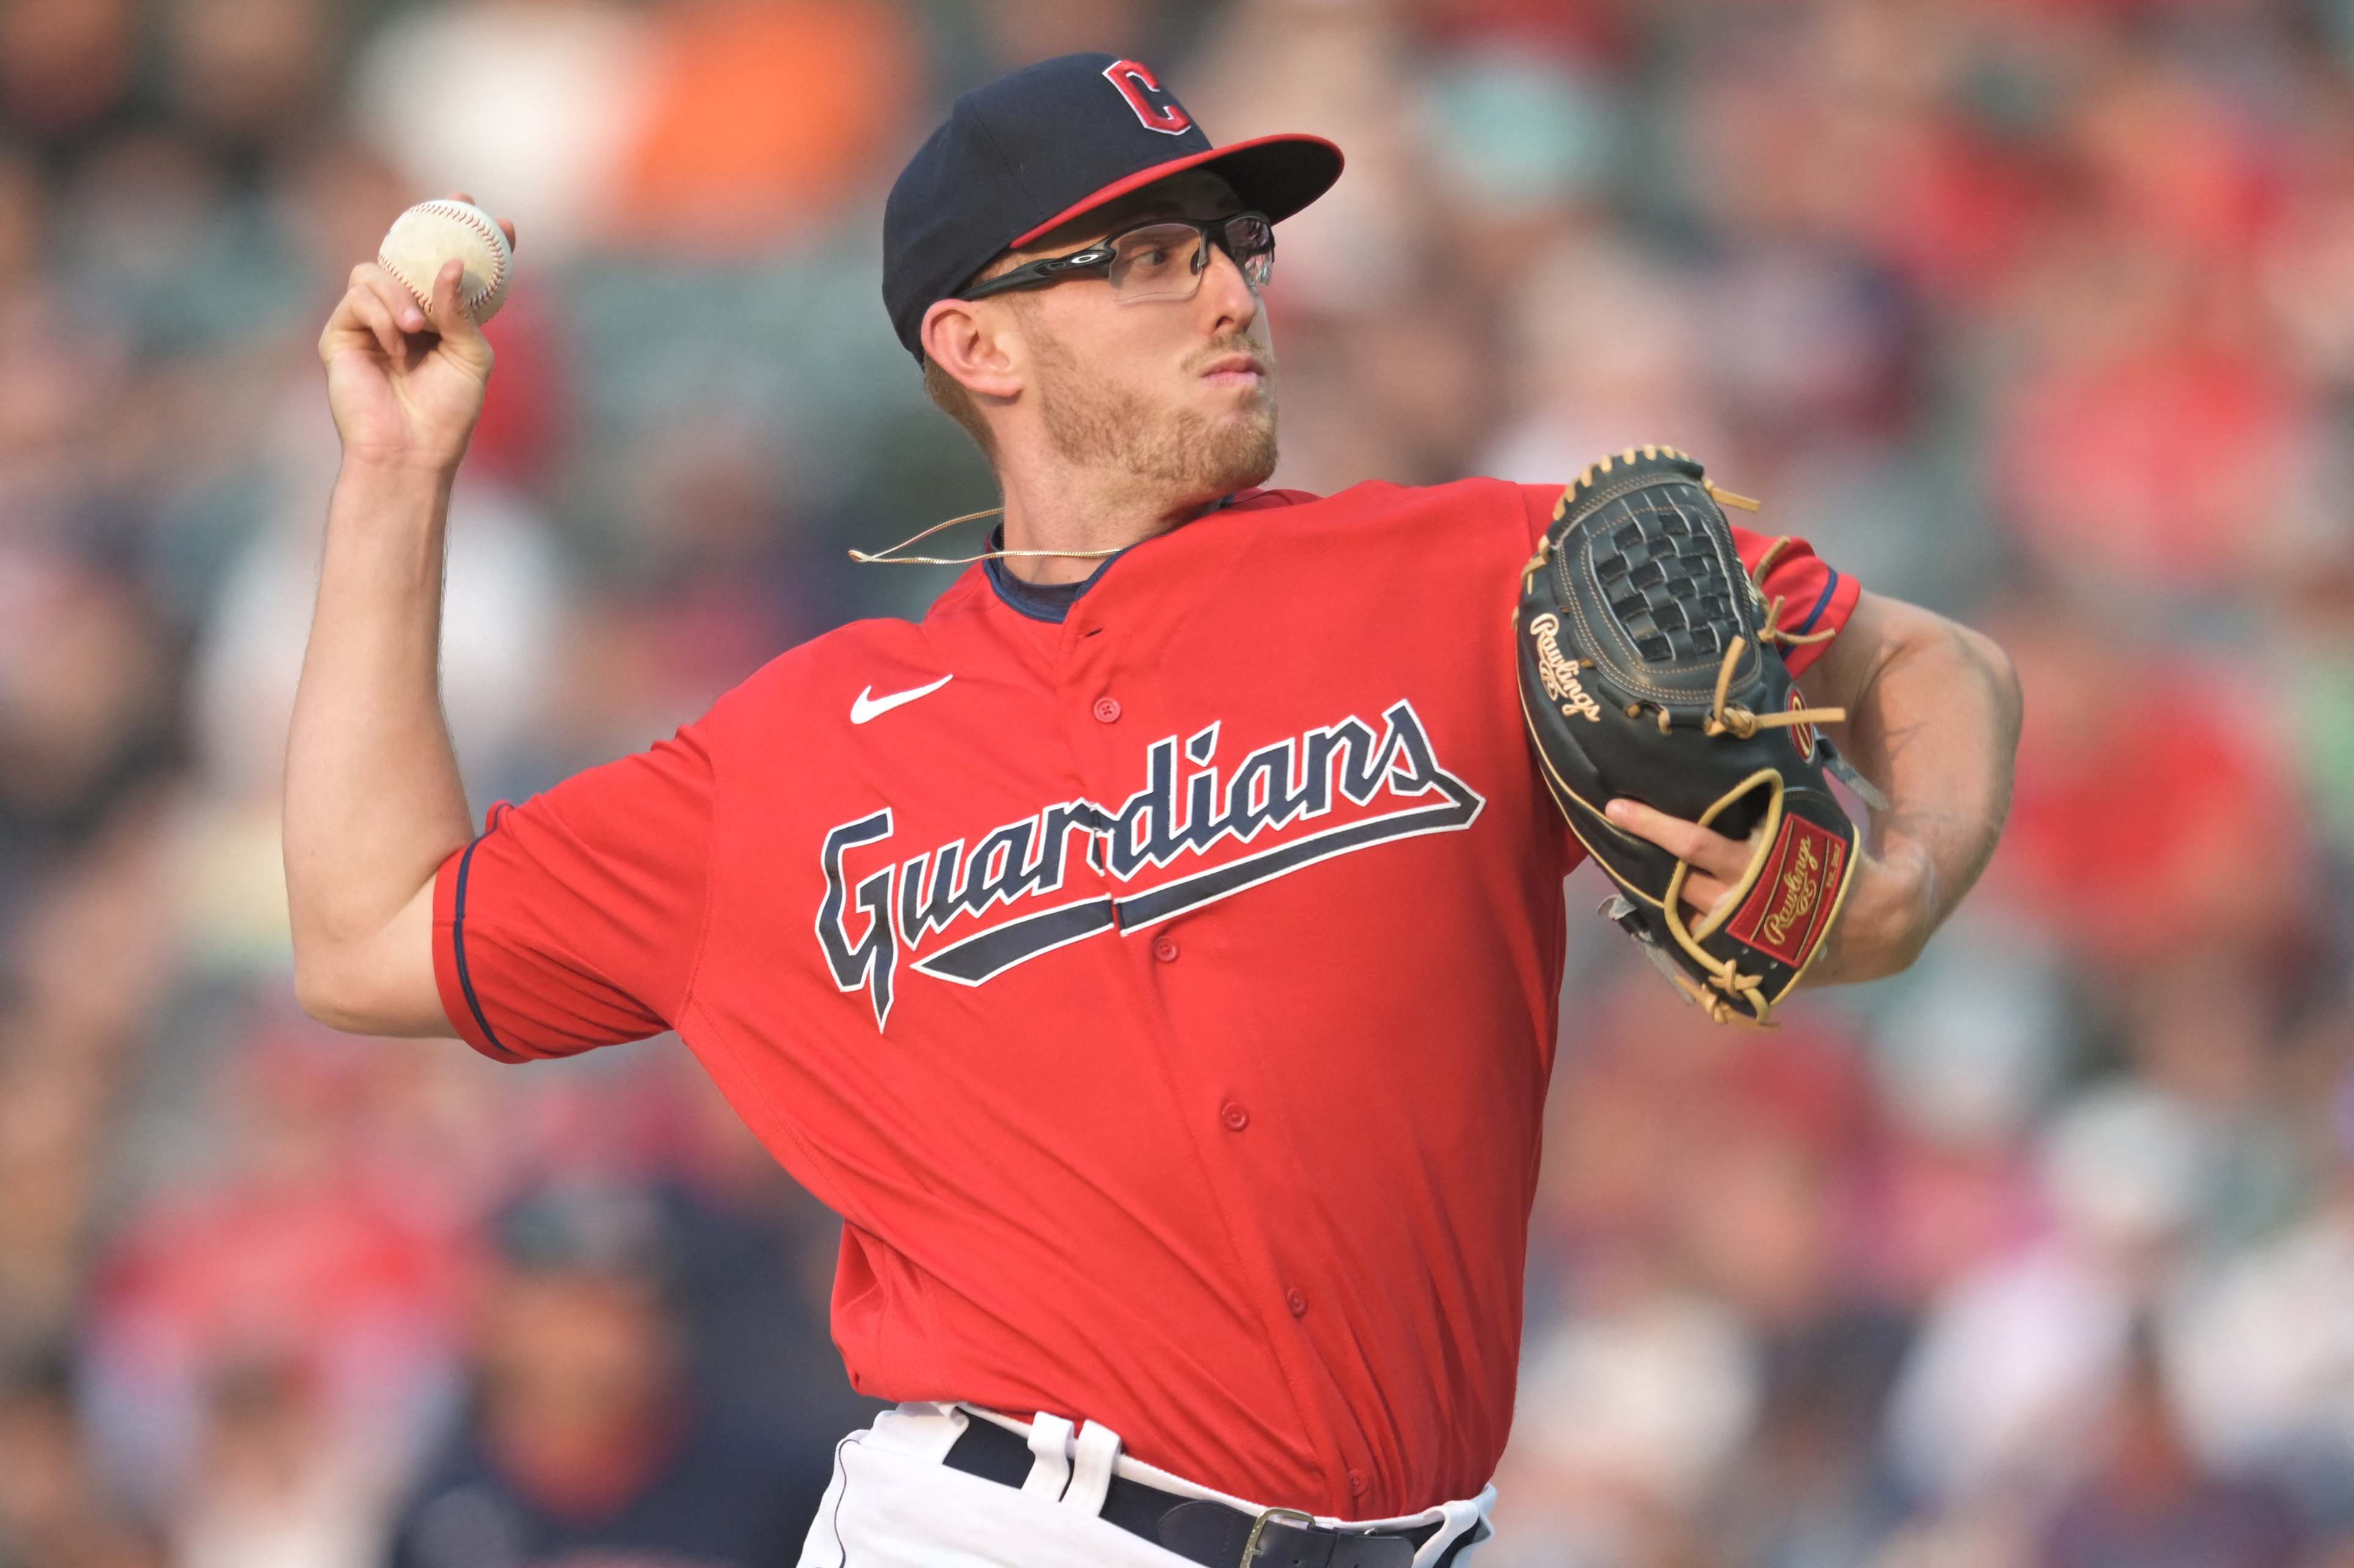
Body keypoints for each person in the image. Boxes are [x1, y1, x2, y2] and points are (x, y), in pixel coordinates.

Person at [288, 53, 2020, 1568]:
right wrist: (393, 477)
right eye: (1149, 257)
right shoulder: (799, 752)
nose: (1229, 296)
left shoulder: (1475, 569)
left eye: (1232, 246)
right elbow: (374, 933)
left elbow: (1940, 668)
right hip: (996, 1527)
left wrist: (1904, 877)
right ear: (977, 341)